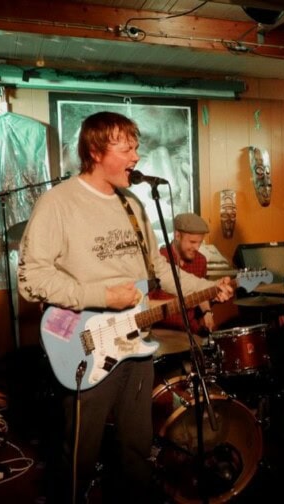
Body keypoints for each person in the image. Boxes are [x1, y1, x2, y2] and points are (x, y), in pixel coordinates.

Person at [17, 111, 233, 503]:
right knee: (80, 455)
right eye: (126, 148)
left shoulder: (132, 203)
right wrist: (101, 296)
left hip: (136, 346)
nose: (136, 156)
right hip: (85, 345)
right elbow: (31, 278)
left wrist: (207, 288)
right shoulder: (58, 202)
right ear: (96, 152)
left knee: (137, 450)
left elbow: (159, 270)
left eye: (136, 147)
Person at [150, 212, 215, 335]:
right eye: (192, 242)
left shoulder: (201, 260)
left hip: (189, 331)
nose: (197, 248)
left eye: (200, 242)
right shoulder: (159, 260)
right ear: (177, 235)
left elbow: (199, 293)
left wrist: (207, 311)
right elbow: (146, 304)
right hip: (161, 331)